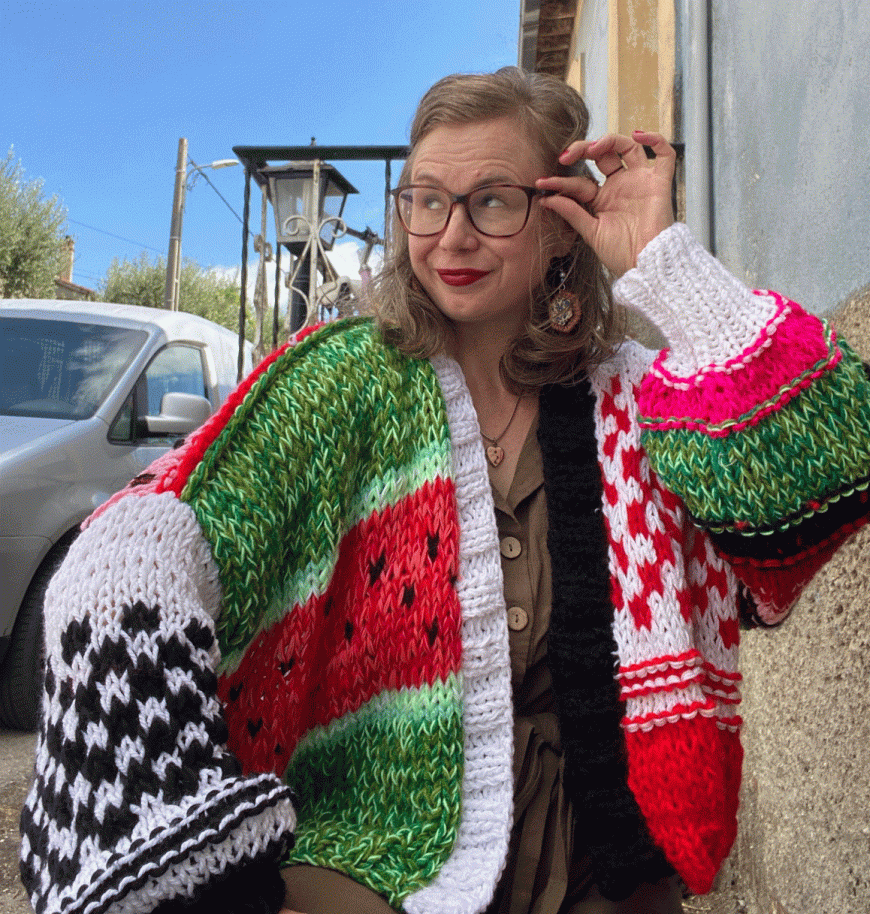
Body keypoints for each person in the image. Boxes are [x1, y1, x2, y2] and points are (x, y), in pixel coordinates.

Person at [20, 67, 870, 914]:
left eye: (492, 201)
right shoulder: (340, 384)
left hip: (612, 873)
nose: (451, 236)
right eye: (426, 200)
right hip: (377, 868)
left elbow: (831, 474)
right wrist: (141, 794)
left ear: (562, 223)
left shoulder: (644, 400)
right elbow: (155, 527)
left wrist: (665, 264)